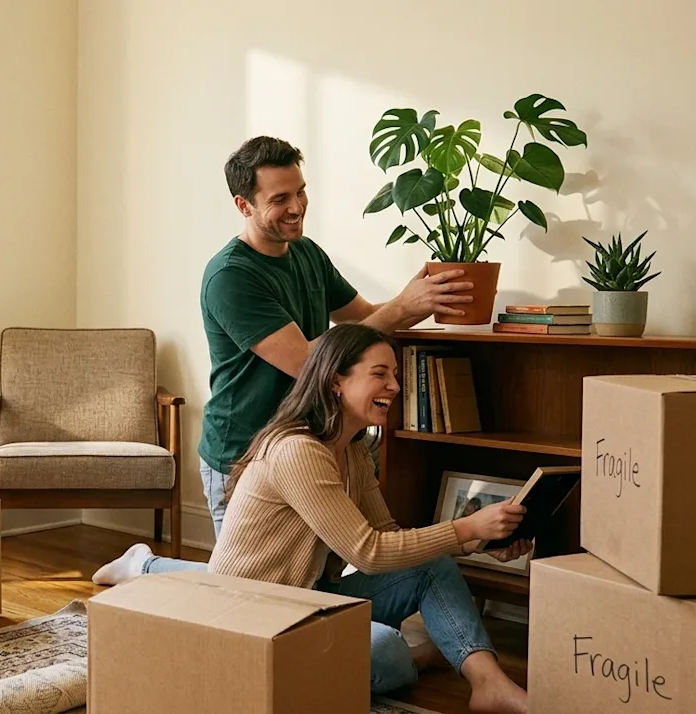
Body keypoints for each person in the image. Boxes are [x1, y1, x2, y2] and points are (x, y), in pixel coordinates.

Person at [92, 135, 474, 585]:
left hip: (310, 447)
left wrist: (418, 302)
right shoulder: (231, 276)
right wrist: (402, 308)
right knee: (242, 588)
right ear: (243, 205)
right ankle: (146, 567)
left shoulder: (308, 255)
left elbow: (366, 321)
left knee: (302, 582)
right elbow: (311, 363)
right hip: (245, 452)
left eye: (300, 191)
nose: (297, 206)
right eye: (280, 199)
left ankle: (149, 569)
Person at [208, 323, 531, 711]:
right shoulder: (298, 451)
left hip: (308, 598)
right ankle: (422, 656)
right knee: (390, 656)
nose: (395, 386)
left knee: (434, 566)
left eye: (394, 374)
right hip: (256, 616)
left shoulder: (354, 449)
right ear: (335, 383)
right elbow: (368, 553)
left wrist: (474, 542)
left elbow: (387, 535)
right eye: (380, 374)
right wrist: (464, 527)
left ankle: (489, 684)